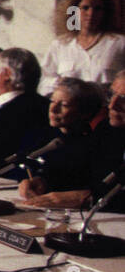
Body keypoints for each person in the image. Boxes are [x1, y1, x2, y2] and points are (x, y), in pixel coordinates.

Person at [18, 70, 125, 210]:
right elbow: (82, 174)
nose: (112, 105)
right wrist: (44, 183)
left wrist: (90, 198)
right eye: (112, 95)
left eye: (123, 99)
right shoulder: (108, 130)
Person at [16, 78, 102, 199]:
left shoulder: (94, 144)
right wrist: (33, 181)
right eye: (52, 101)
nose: (53, 109)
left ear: (85, 112)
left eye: (64, 105)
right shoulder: (42, 135)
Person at [39, 0, 125, 94]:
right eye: (85, 8)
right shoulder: (60, 45)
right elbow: (44, 79)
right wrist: (58, 82)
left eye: (98, 9)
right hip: (71, 108)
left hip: (108, 106)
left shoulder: (119, 43)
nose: (91, 13)